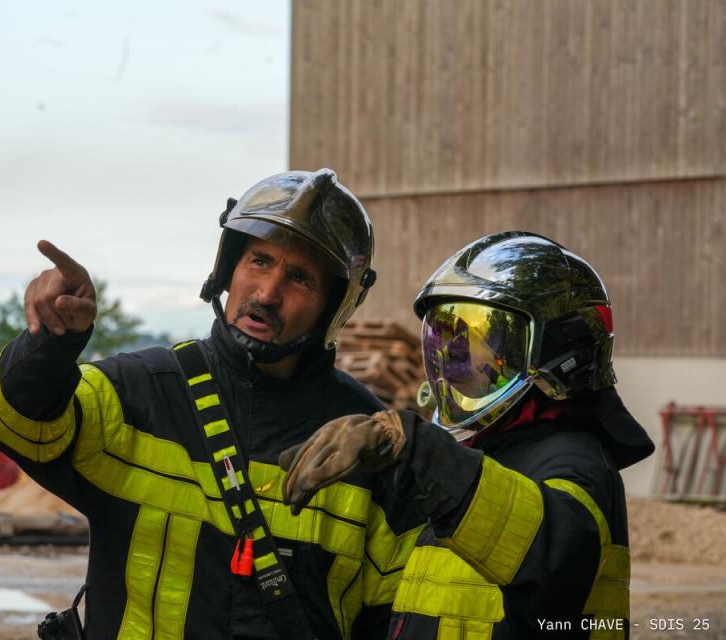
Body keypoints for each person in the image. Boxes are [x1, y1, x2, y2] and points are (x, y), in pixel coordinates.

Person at [0, 169, 425, 639]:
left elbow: (399, 617)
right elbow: (12, 420)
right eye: (259, 261)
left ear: (333, 305)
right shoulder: (139, 392)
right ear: (228, 267)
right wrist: (52, 343)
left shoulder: (366, 445)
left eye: (299, 279)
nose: (267, 293)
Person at [280, 231, 655, 639]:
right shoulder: (482, 458)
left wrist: (424, 453)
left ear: (556, 348)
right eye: (444, 336)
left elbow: (549, 556)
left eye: (479, 337)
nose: (453, 358)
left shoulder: (577, 463)